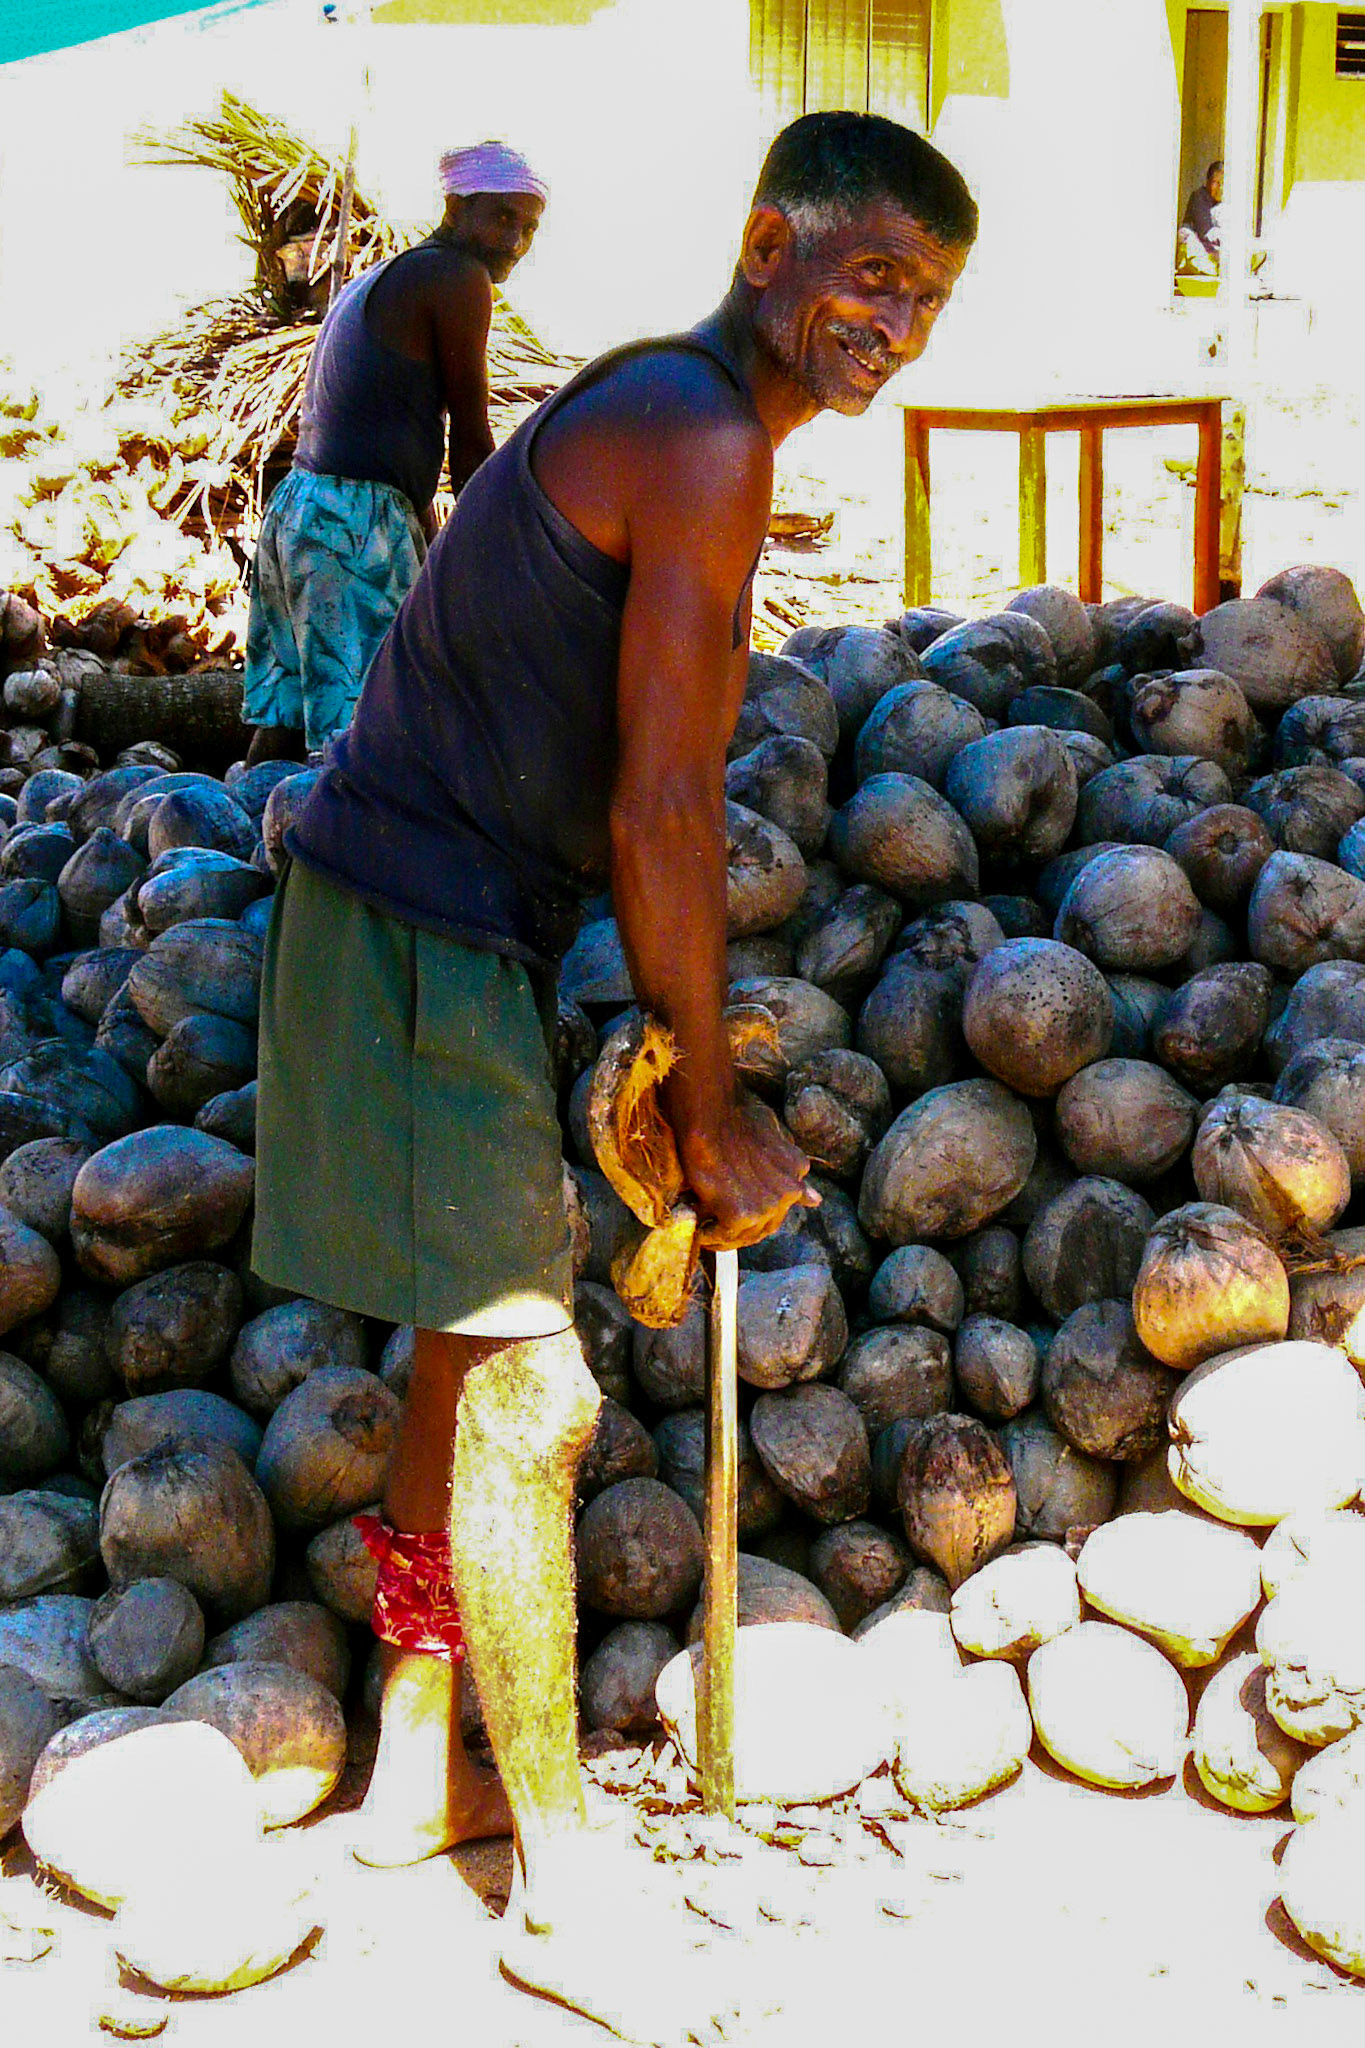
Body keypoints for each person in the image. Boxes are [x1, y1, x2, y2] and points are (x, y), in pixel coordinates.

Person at [253, 109, 976, 2042]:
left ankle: (421, 1759)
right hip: (417, 923)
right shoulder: (702, 432)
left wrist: (674, 1038)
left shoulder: (676, 410)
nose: (896, 326)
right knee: (532, 1391)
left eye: (928, 300)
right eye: (870, 276)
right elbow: (664, 805)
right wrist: (709, 1093)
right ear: (768, 245)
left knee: (458, 1353)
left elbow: (653, 783)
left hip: (421, 914)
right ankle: (565, 1882)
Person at [241, 140, 547, 766]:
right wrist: (501, 549)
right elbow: (469, 436)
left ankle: (239, 825)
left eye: (529, 227)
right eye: (502, 217)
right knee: (366, 741)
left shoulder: (386, 275)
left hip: (302, 510)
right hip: (352, 525)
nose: (516, 240)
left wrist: (427, 541)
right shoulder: (456, 276)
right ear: (456, 208)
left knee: (289, 724)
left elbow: (395, 437)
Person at [1178, 158, 1223, 275]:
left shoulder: (1223, 203)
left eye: (1223, 183)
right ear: (1208, 182)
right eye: (1216, 182)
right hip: (1197, 248)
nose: (1220, 188)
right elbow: (1206, 232)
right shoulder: (1199, 197)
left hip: (1214, 250)